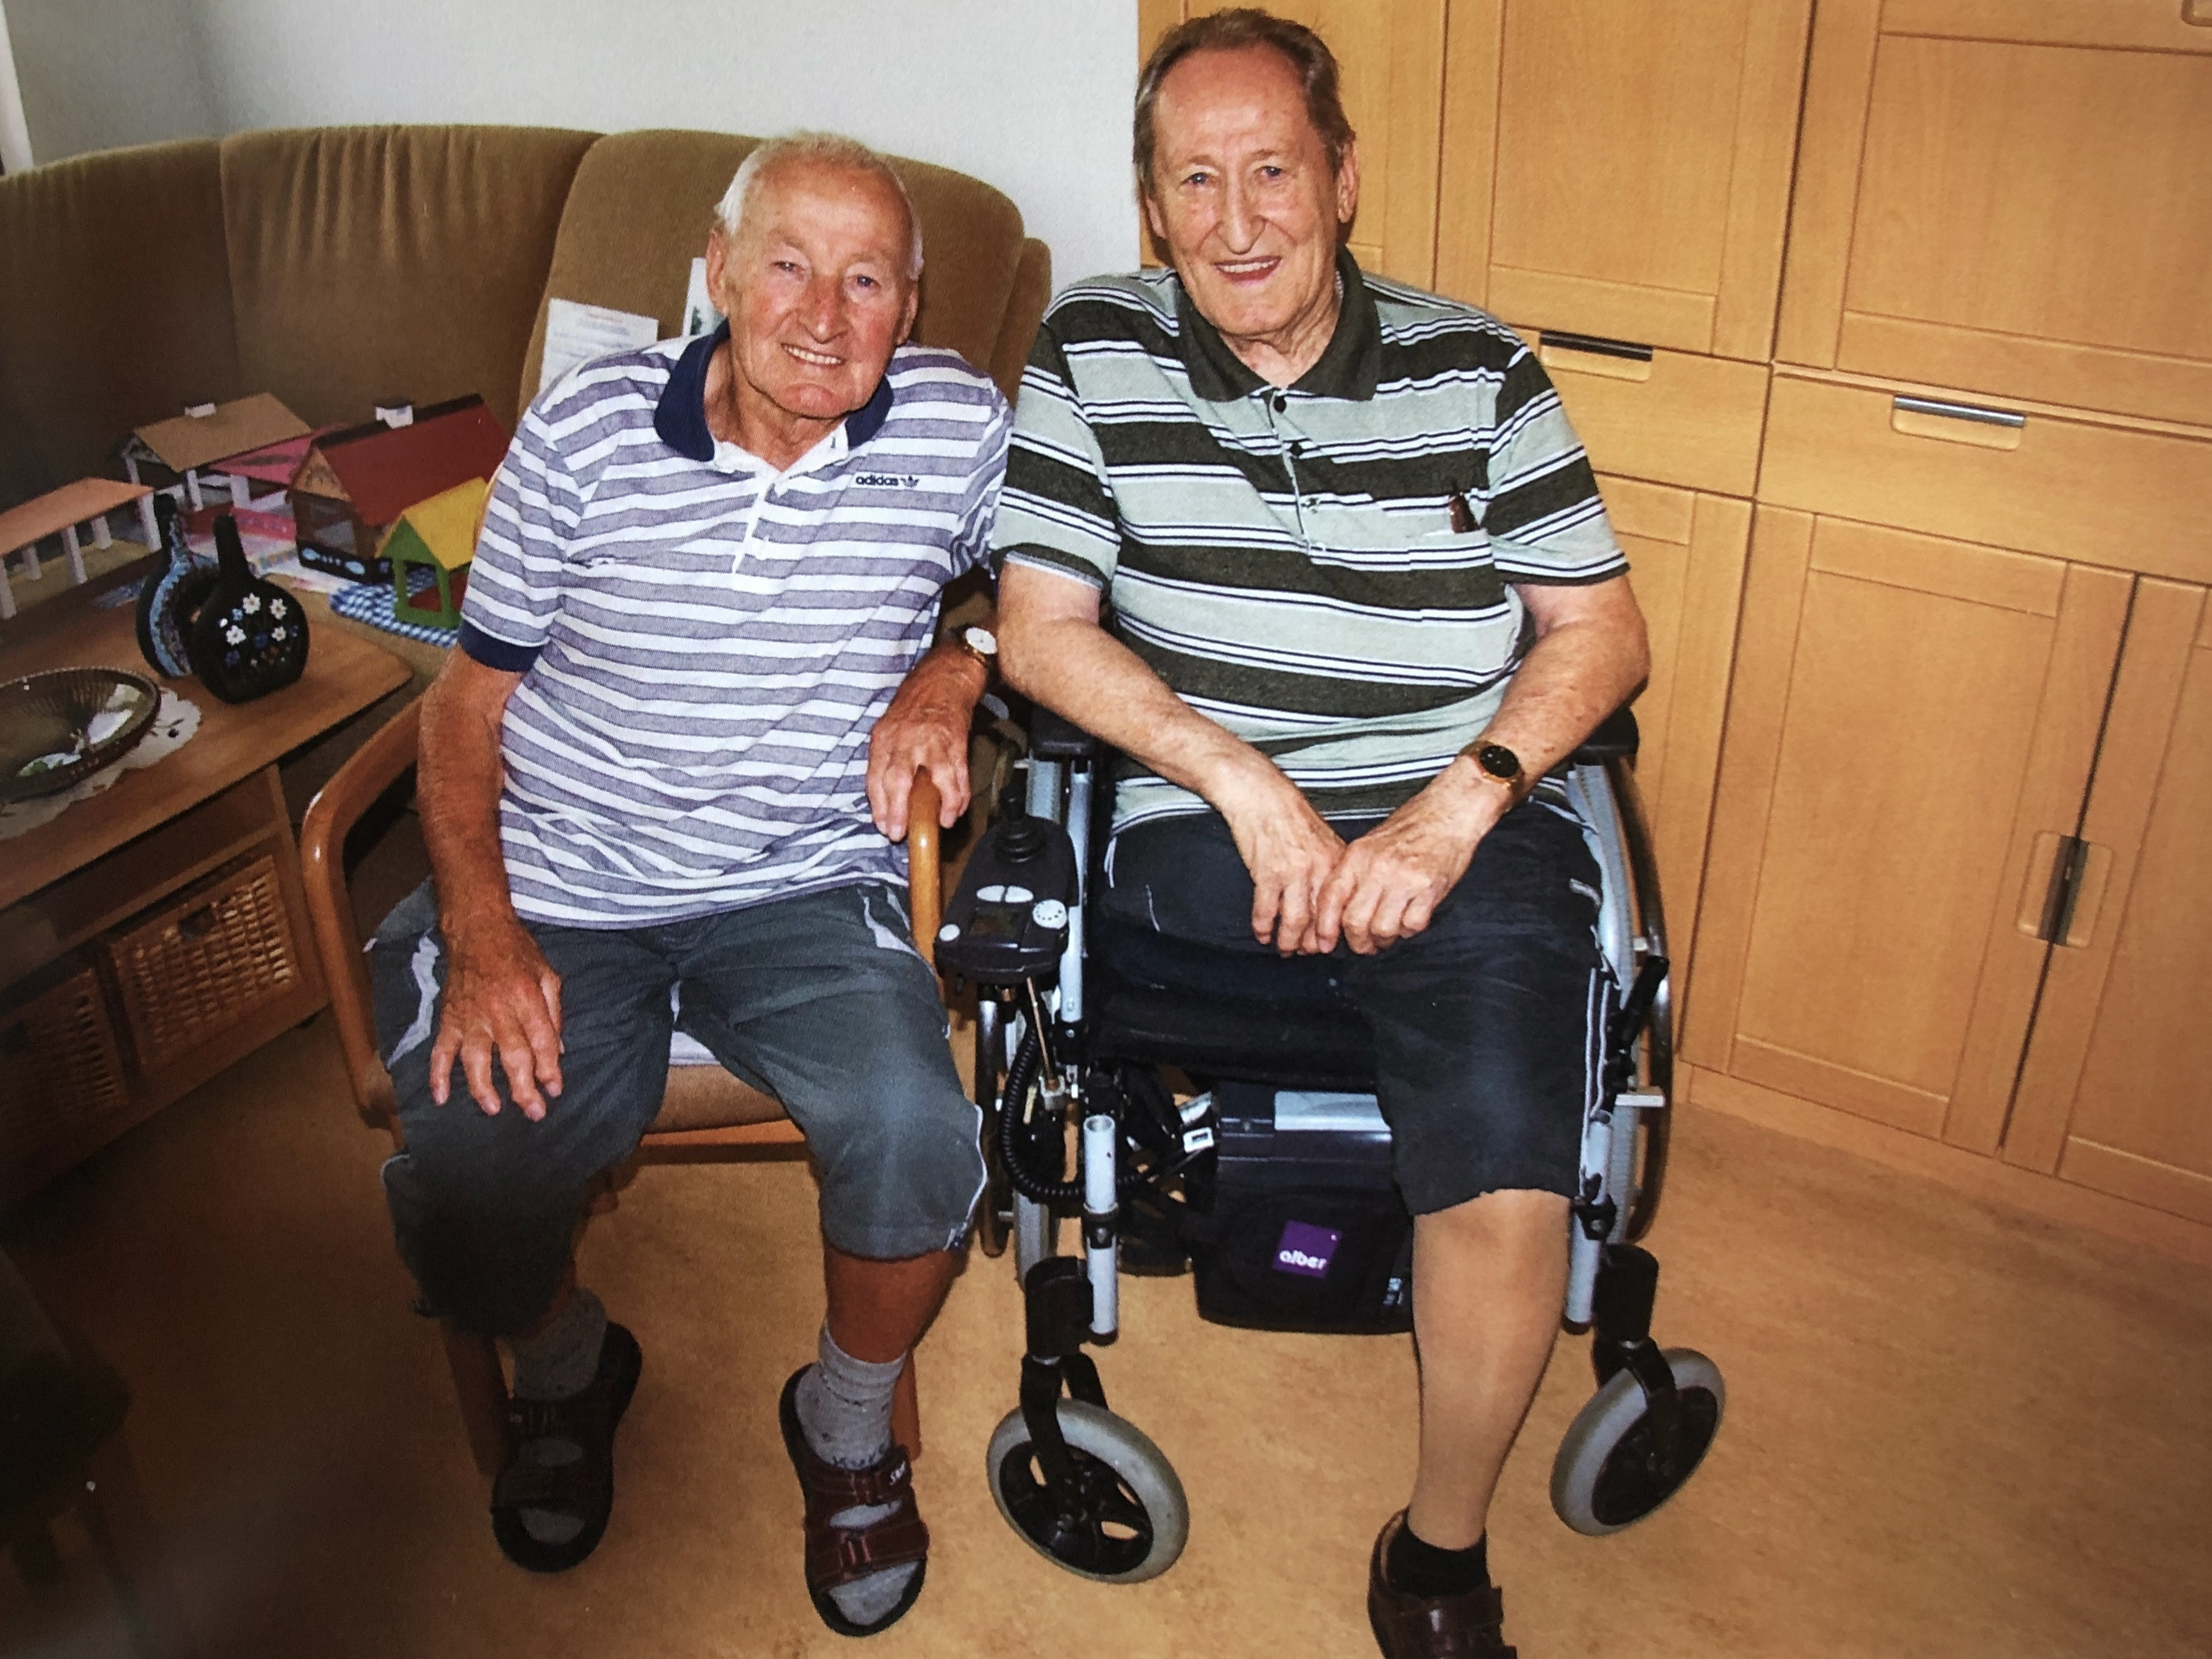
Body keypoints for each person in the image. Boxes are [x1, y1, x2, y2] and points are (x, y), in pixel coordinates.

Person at [991, 13, 1649, 1657]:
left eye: (1271, 171)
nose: (1235, 222)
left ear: (1341, 178)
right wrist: (1239, 777)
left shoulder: (1477, 369)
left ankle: (1438, 1552)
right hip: (1204, 825)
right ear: (1152, 206)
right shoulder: (1087, 349)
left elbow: (1600, 635)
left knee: (1504, 1153)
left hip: (1457, 816)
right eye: (1192, 181)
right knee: (1438, 998)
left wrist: (1453, 809)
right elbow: (1042, 633)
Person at [369, 131, 1007, 1637]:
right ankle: (570, 1361)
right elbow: (464, 705)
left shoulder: (955, 425)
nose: (823, 316)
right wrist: (482, 925)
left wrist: (956, 662)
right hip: (572, 877)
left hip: (803, 882)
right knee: (462, 1167)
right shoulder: (585, 429)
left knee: (919, 1131)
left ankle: (844, 1417)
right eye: (787, 264)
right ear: (716, 272)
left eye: (867, 281)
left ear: (910, 308)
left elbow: (1056, 580)